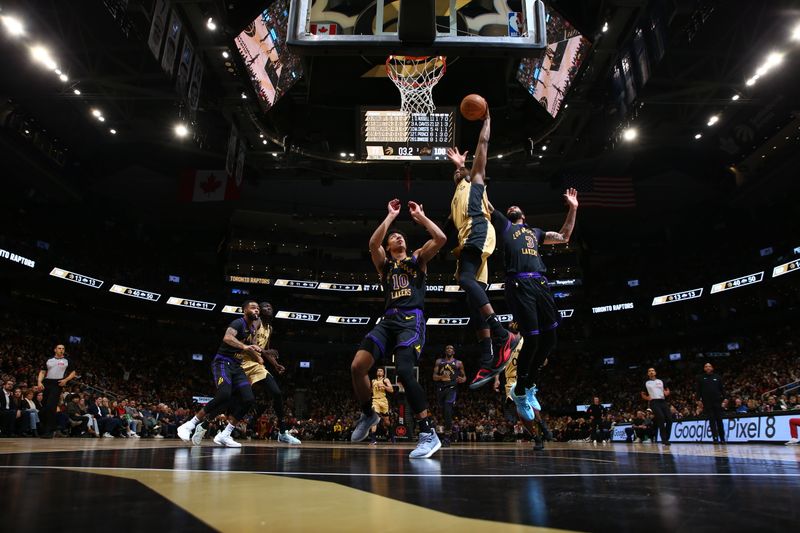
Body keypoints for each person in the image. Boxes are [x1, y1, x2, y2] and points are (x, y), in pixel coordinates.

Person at [349, 198, 447, 459]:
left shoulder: (417, 259)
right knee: (358, 366)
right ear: (389, 245)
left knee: (404, 371)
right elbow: (372, 244)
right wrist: (391, 217)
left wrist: (422, 218)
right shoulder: (384, 265)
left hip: (410, 320)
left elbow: (440, 239)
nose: (398, 239)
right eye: (393, 237)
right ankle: (369, 415)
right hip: (387, 320)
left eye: (401, 237)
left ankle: (428, 432)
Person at [487, 189, 578, 419]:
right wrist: (466, 173)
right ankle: (520, 388)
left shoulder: (535, 232)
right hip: (519, 283)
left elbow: (564, 236)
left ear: (523, 215)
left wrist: (573, 208)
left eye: (514, 207)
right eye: (508, 208)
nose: (511, 208)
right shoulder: (506, 227)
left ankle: (526, 387)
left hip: (541, 283)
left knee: (550, 338)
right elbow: (484, 202)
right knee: (533, 337)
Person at [446, 109, 519, 389]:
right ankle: (489, 358)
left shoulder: (475, 182)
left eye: (460, 170)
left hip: (479, 229)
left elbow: (483, 148)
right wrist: (456, 165)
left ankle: (502, 334)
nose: (458, 171)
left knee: (465, 280)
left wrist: (487, 121)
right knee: (472, 299)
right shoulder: (456, 196)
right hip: (469, 238)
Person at [192, 301, 300, 446]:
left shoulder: (269, 328)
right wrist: (261, 354)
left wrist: (275, 364)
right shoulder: (255, 323)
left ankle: (282, 432)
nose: (268, 308)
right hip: (241, 363)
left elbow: (264, 349)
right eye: (265, 307)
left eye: (271, 307)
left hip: (255, 365)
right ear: (259, 311)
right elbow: (252, 345)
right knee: (230, 399)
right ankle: (204, 425)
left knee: (276, 393)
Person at [177, 301, 262, 448]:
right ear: (244, 310)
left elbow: (251, 347)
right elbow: (227, 338)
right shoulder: (238, 323)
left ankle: (225, 434)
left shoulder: (253, 329)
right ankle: (189, 425)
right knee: (224, 395)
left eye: (258, 309)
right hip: (222, 362)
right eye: (253, 307)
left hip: (237, 366)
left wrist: (258, 356)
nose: (257, 310)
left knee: (248, 399)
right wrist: (245, 346)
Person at [36, 344, 76, 439]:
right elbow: (42, 371)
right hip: (46, 383)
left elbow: (73, 372)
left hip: (57, 384)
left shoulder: (67, 360)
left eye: (63, 348)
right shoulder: (49, 359)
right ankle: (46, 428)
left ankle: (49, 431)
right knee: (45, 407)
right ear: (55, 350)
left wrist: (65, 380)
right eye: (59, 348)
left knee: (51, 406)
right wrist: (39, 382)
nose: (61, 350)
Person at [432, 345, 466, 447]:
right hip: (441, 390)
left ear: (454, 352)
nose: (449, 350)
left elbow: (464, 377)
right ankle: (452, 429)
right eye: (447, 348)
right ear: (445, 351)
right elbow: (434, 377)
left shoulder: (459, 363)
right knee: (443, 412)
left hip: (452, 389)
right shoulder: (439, 361)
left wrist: (462, 379)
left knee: (447, 410)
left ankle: (447, 437)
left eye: (451, 348)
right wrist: (441, 377)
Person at [641, 367, 672, 446]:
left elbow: (667, 389)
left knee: (669, 419)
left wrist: (667, 392)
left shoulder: (661, 381)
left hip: (663, 401)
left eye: (652, 371)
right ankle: (664, 439)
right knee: (661, 418)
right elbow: (643, 394)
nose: (651, 372)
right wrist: (647, 398)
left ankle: (667, 437)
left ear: (655, 372)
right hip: (654, 402)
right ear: (648, 374)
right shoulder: (646, 383)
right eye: (649, 371)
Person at [696, 362, 725, 443]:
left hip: (717, 401)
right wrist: (698, 400)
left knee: (719, 420)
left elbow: (722, 389)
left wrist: (725, 398)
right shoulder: (700, 378)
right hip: (707, 402)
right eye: (706, 366)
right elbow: (698, 390)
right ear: (704, 369)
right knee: (712, 420)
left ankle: (722, 438)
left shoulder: (717, 377)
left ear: (712, 368)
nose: (708, 368)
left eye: (709, 366)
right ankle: (715, 438)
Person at [368, 367, 394, 445]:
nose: (379, 372)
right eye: (378, 370)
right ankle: (373, 439)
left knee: (386, 421)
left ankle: (391, 435)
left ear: (383, 373)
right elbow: (370, 391)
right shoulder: (373, 381)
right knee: (374, 419)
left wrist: (384, 387)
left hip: (383, 401)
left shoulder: (385, 380)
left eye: (381, 371)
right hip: (375, 400)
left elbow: (391, 390)